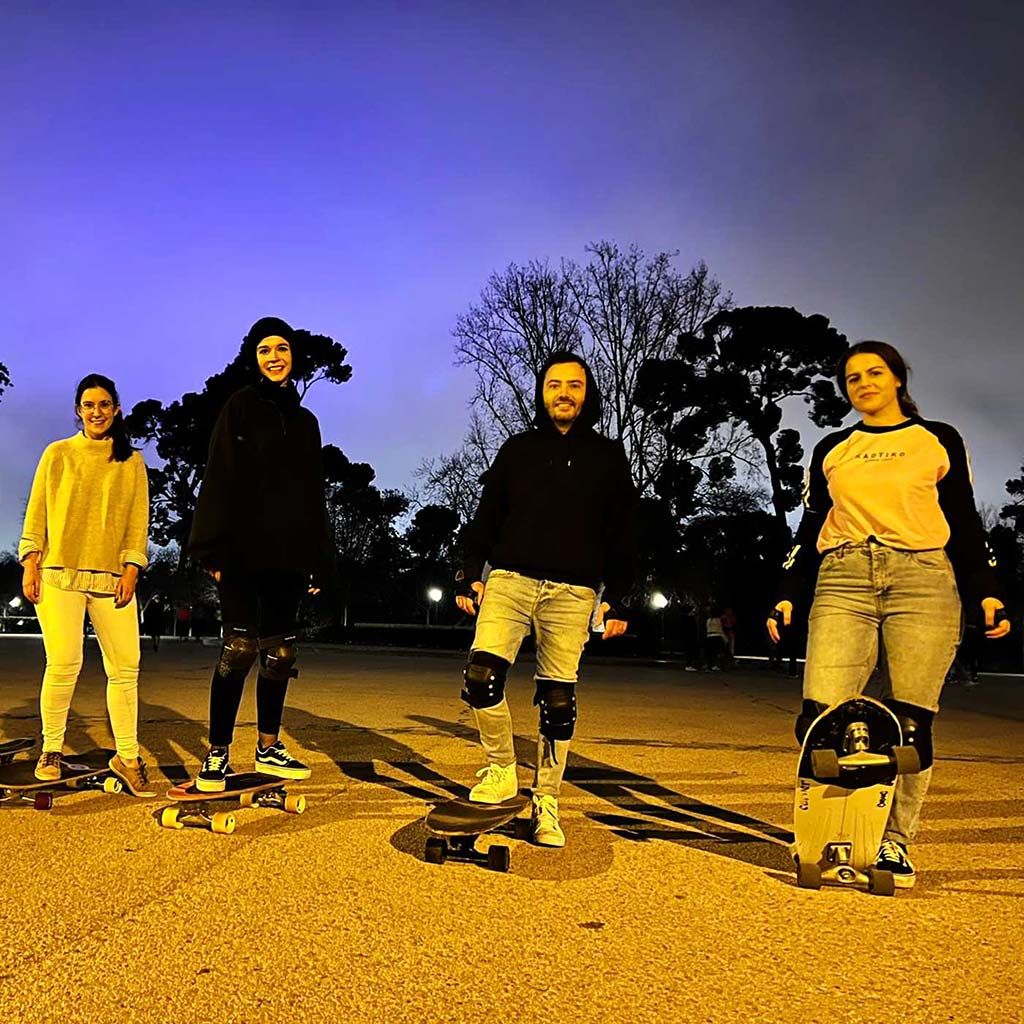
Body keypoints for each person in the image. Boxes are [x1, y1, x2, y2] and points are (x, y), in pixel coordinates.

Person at [768, 340, 1010, 888]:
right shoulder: (833, 447)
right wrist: (786, 589)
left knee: (909, 723)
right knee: (820, 719)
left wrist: (986, 588)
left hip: (923, 577)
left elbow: (964, 518)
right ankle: (826, 827)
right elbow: (809, 528)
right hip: (844, 576)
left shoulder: (937, 439)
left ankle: (895, 842)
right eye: (852, 378)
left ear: (898, 378)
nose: (863, 384)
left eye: (874, 373)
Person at [455, 351, 636, 847]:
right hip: (510, 581)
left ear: (586, 393)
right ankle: (500, 769)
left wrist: (616, 598)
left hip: (573, 593)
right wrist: (469, 574)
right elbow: (486, 515)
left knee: (558, 701)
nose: (564, 393)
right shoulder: (518, 450)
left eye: (574, 385)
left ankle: (547, 800)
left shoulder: (608, 457)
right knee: (481, 677)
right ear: (542, 392)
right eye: (554, 384)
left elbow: (623, 534)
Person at [188, 316, 331, 792]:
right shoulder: (239, 407)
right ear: (254, 357)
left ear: (293, 357)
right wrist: (211, 546)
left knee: (280, 652)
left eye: (282, 348)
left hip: (288, 552)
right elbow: (220, 474)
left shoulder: (306, 422)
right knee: (239, 649)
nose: (275, 356)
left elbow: (314, 492)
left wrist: (318, 556)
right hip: (242, 551)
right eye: (266, 349)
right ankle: (217, 754)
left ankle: (269, 747)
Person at [19, 373, 155, 797]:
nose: (96, 412)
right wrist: (30, 561)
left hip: (112, 578)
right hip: (59, 575)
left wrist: (132, 568)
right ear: (78, 411)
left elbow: (138, 521)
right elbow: (37, 510)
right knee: (64, 663)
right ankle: (52, 749)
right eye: (88, 405)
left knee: (126, 668)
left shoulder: (131, 462)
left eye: (104, 404)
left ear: (116, 409)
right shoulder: (57, 454)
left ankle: (127, 757)